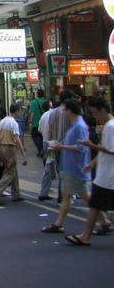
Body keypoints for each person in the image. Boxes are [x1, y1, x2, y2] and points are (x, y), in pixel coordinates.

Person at [66, 97, 114, 246]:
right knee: (94, 204)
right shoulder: (108, 126)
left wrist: (91, 145)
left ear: (104, 110)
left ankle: (86, 236)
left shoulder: (111, 127)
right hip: (104, 175)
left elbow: (111, 150)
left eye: (95, 113)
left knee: (94, 205)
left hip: (108, 176)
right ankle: (87, 234)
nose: (95, 117)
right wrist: (92, 164)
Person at [41, 99, 93, 234]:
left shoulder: (79, 126)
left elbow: (81, 147)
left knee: (83, 196)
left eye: (65, 109)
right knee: (67, 196)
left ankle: (104, 220)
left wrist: (61, 146)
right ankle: (59, 223)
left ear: (70, 110)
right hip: (70, 167)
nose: (63, 112)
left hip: (77, 168)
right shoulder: (74, 124)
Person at [40, 90, 74, 203]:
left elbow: (49, 130)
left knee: (54, 169)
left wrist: (48, 145)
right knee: (65, 172)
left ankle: (46, 193)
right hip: (66, 146)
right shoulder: (69, 112)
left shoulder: (53, 112)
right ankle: (62, 196)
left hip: (54, 145)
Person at [0, 103, 28, 205]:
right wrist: (23, 154)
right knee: (10, 172)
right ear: (17, 111)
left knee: (13, 169)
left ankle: (16, 194)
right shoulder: (14, 123)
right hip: (10, 148)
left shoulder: (2, 121)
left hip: (2, 146)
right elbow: (17, 140)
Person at [38, 99, 55, 201]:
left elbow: (39, 129)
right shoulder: (53, 114)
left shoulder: (43, 116)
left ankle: (44, 192)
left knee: (49, 165)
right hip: (53, 143)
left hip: (45, 142)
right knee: (56, 166)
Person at [29, 89, 46, 157]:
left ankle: (40, 149)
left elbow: (32, 113)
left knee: (34, 136)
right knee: (42, 137)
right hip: (44, 124)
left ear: (37, 94)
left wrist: (30, 120)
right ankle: (42, 150)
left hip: (36, 124)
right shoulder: (45, 102)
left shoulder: (34, 102)